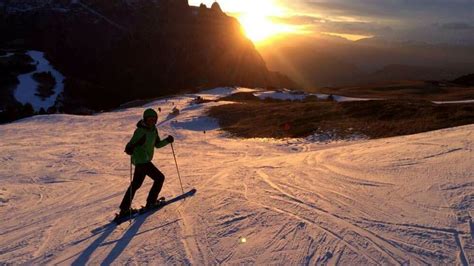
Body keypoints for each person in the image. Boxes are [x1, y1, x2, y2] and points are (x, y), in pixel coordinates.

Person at [119, 108, 174, 216]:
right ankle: (151, 202)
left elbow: (157, 144)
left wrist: (167, 141)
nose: (152, 121)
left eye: (154, 119)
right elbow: (130, 144)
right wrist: (129, 148)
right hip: (141, 160)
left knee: (136, 184)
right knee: (159, 178)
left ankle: (124, 209)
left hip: (144, 161)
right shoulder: (140, 131)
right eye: (150, 119)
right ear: (145, 119)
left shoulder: (153, 130)